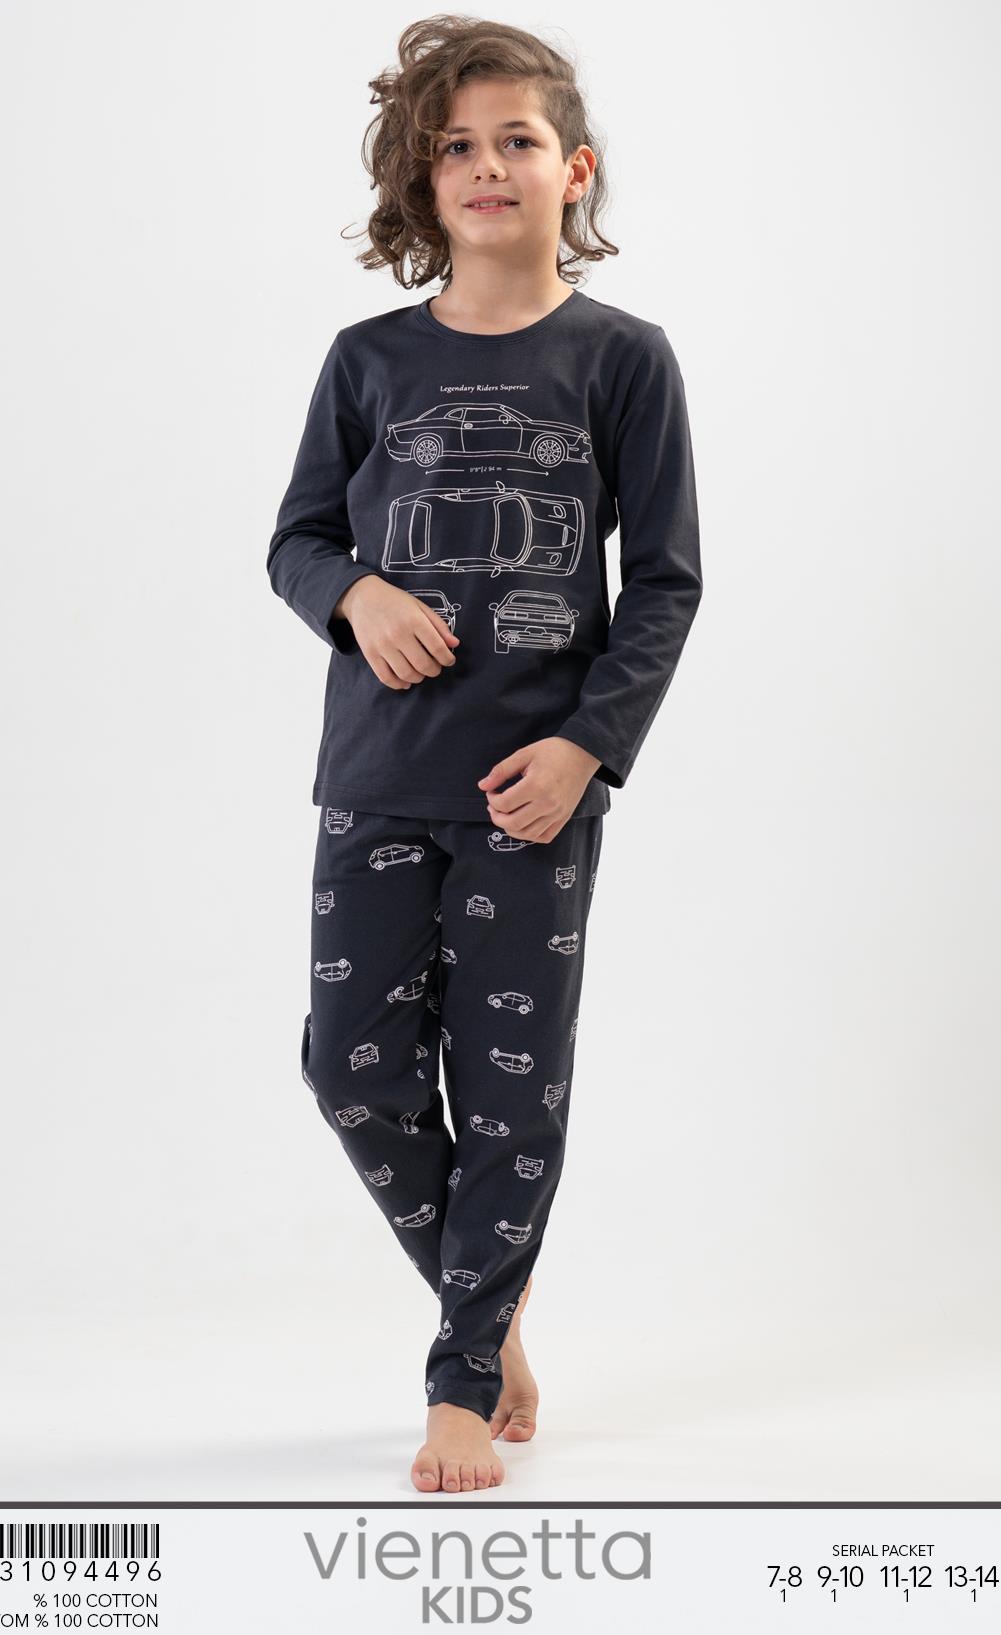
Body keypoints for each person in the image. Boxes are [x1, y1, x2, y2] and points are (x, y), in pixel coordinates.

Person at [266, 16, 702, 1494]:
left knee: (511, 1090)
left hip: (535, 793)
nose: (485, 165)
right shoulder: (368, 359)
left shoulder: (622, 360)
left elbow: (664, 584)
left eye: (516, 139)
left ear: (572, 170)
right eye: (454, 145)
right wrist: (355, 594)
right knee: (350, 1067)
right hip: (376, 771)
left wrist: (588, 749)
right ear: (422, 178)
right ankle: (488, 1298)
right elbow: (297, 538)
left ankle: (458, 1378)